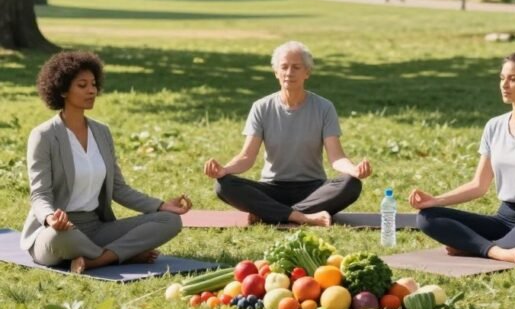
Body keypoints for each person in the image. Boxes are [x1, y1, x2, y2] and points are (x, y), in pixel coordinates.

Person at [21, 51, 191, 273]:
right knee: (59, 238)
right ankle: (120, 255)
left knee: (169, 221)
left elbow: (119, 189)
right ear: (62, 89)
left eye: (93, 84)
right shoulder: (43, 135)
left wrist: (160, 206)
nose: (91, 90)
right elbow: (40, 195)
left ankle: (97, 260)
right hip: (59, 231)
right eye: (82, 85)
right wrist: (51, 218)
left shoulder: (102, 132)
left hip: (96, 228)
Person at [409, 51, 515, 267]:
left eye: (513, 79)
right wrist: (436, 200)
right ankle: (497, 250)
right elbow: (478, 185)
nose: (504, 85)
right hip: (504, 220)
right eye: (502, 78)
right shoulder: (494, 126)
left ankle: (476, 247)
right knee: (427, 217)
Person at [203, 40, 372, 226]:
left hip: (313, 189)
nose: (289, 73)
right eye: (284, 67)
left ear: (307, 72)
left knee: (351, 184)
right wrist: (224, 170)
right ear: (276, 72)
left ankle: (270, 213)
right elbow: (247, 157)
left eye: (296, 67)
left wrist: (354, 170)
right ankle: (301, 216)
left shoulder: (324, 107)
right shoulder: (261, 107)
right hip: (271, 188)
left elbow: (336, 157)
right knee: (223, 185)